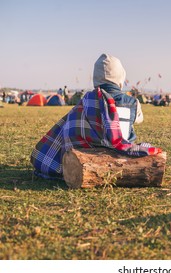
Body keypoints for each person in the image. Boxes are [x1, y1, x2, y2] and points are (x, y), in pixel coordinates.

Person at [30, 53, 161, 179]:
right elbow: (139, 120)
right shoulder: (132, 102)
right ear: (121, 77)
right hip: (120, 152)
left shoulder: (87, 100)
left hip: (86, 152)